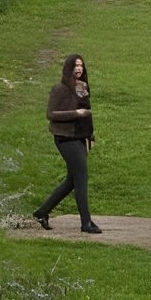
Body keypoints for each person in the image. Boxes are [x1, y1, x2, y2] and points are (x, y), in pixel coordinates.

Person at [32, 54, 101, 234]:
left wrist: (90, 136)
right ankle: (86, 223)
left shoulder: (82, 87)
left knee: (72, 180)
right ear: (68, 68)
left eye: (81, 66)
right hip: (65, 138)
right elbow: (51, 114)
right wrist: (75, 113)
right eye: (75, 66)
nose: (79, 69)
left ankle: (42, 212)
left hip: (79, 137)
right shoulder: (60, 89)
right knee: (81, 178)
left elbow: (88, 114)